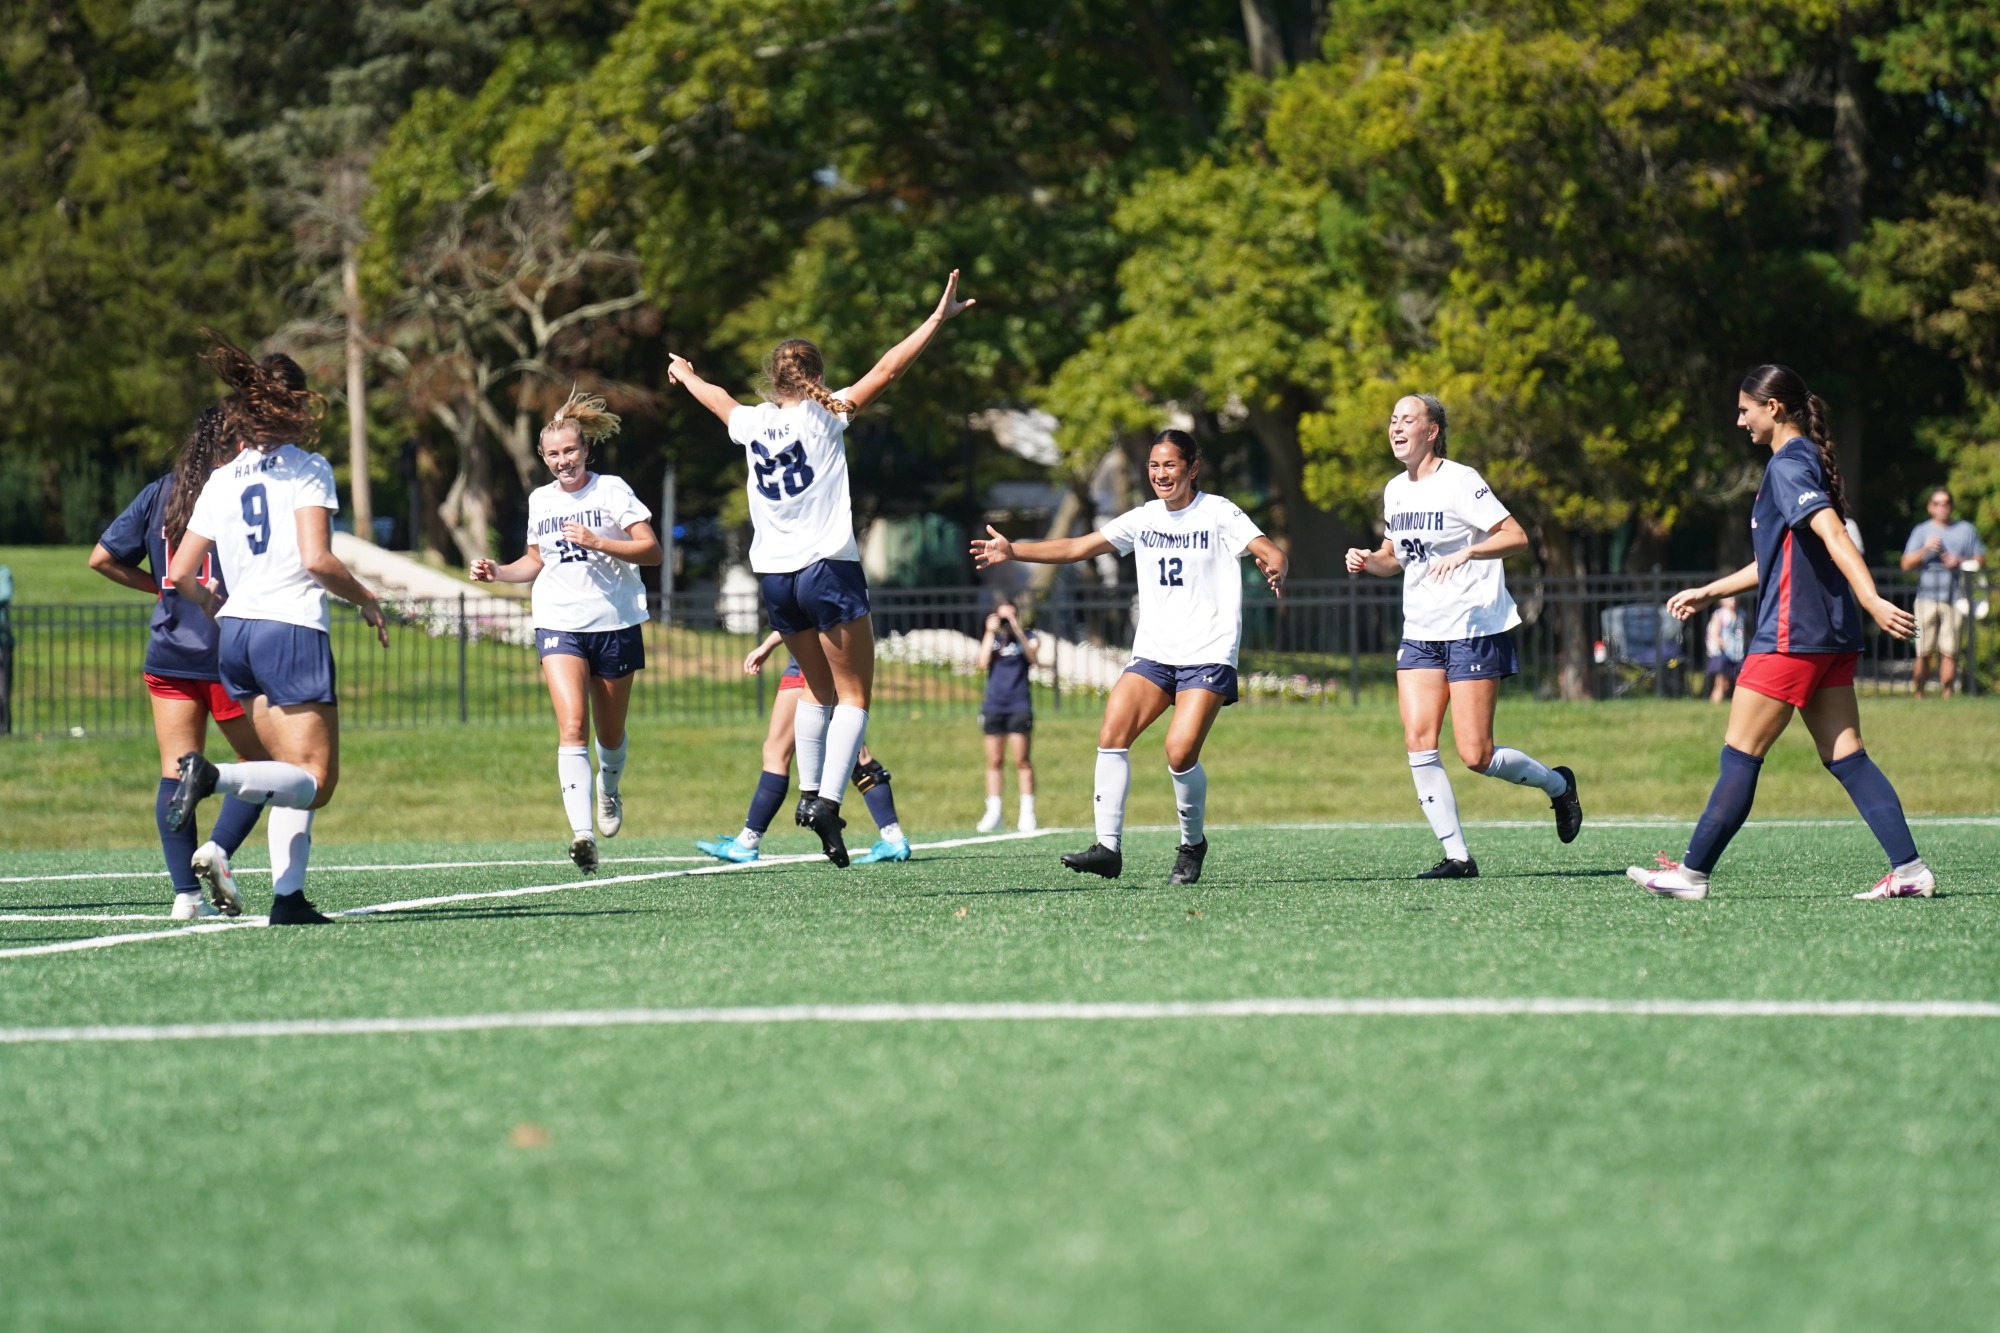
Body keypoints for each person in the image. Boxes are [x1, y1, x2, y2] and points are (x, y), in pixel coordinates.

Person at [668, 270, 975, 866]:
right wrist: (937, 320)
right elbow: (889, 368)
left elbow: (717, 399)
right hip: (827, 570)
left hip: (776, 580)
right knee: (854, 696)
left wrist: (685, 374)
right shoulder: (825, 416)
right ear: (817, 376)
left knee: (815, 690)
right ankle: (828, 801)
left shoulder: (753, 423)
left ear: (772, 378)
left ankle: (809, 793)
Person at [1630, 365, 1930, 901]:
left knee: (1740, 754)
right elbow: (1779, 557)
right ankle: (1910, 871)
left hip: (1793, 635)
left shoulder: (1788, 465)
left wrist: (1871, 598)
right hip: (1830, 637)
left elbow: (1833, 533)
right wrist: (1711, 591)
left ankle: (1691, 875)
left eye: (1744, 409)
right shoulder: (1808, 460)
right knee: (1847, 756)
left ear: (1772, 408)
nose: (1739, 420)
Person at [971, 429, 1287, 885]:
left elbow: (1270, 550)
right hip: (1155, 653)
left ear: (1193, 468)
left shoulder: (1218, 511)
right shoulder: (1143, 518)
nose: (1161, 474)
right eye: (1154, 466)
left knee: (1179, 752)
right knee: (1112, 733)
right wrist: (1013, 549)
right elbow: (1077, 547)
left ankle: (1192, 844)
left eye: (1170, 465)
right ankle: (1108, 849)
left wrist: (1276, 565)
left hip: (1207, 652)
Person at [165, 333, 391, 924]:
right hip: (289, 628)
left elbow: (181, 572)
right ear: (294, 405)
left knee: (288, 771)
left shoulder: (221, 478)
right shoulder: (307, 468)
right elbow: (317, 559)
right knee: (316, 780)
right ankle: (213, 777)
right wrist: (367, 599)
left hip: (236, 634)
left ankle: (288, 899)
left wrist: (214, 605)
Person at [1344, 395, 1583, 878]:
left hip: (1472, 630)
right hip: (1420, 632)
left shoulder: (1461, 481)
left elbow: (1515, 536)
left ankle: (1558, 786)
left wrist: (1469, 553)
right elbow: (1394, 557)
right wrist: (1369, 560)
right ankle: (1458, 856)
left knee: (1476, 754)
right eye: (1393, 420)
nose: (1397, 428)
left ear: (1432, 431)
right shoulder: (1395, 490)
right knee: (1418, 741)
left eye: (1408, 420)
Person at [472, 389, 661, 872]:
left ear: (586, 450)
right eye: (554, 454)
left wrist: (599, 541)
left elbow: (652, 551)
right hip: (559, 621)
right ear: (543, 457)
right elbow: (535, 560)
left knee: (610, 735)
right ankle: (582, 835)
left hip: (615, 622)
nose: (564, 461)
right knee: (572, 725)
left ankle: (609, 789)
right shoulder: (540, 500)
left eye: (571, 451)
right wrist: (498, 572)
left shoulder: (611, 490)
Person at [90, 405, 267, 919]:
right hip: (228, 650)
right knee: (264, 764)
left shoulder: (159, 492)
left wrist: (162, 589)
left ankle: (185, 896)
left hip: (169, 653)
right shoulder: (241, 491)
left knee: (175, 771)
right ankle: (217, 849)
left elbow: (102, 558)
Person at [696, 632, 911, 864]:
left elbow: (804, 615)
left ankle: (748, 841)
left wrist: (767, 645)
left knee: (776, 752)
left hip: (808, 662)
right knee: (857, 754)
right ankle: (892, 836)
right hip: (830, 656)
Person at [1903, 488, 1986, 698]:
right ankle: (1919, 694)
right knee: (1923, 650)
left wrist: (1960, 561)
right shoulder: (1921, 531)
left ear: (1952, 506)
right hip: (1926, 598)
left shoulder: (1966, 530)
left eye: (1946, 503)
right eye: (1938, 503)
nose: (1943, 507)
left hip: (1955, 597)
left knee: (1950, 651)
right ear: (1930, 507)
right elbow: (1905, 564)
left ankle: (1947, 695)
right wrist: (1926, 549)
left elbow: (1980, 559)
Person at [975, 600, 1038, 832]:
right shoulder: (992, 640)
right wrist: (989, 632)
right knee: (994, 761)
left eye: (1010, 616)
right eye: (1002, 616)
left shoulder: (1028, 636)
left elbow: (1033, 658)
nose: (1005, 621)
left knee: (1022, 760)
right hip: (994, 705)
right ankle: (994, 812)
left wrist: (1016, 629)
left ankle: (1027, 812)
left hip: (1018, 704)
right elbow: (981, 663)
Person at [1703, 595, 1745, 704]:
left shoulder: (1740, 614)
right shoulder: (1719, 615)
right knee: (1720, 683)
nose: (1733, 601)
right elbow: (1714, 633)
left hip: (1737, 653)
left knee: (1735, 682)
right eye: (1729, 599)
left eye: (1734, 598)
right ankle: (1714, 705)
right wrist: (1722, 643)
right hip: (1723, 653)